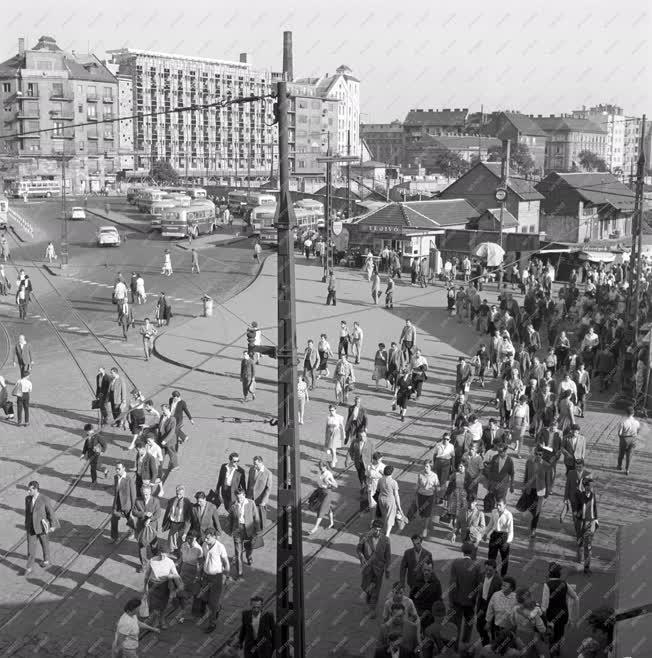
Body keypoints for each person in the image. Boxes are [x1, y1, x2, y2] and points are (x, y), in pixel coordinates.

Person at [449, 542, 483, 648]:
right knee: (469, 625)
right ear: (472, 552)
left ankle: (454, 647)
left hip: (457, 601)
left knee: (455, 625)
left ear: (462, 551)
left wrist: (451, 599)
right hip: (470, 602)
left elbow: (452, 584)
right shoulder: (477, 566)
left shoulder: (456, 563)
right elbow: (479, 586)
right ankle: (465, 646)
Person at [143, 541, 183, 629]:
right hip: (153, 585)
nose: (162, 555)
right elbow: (146, 576)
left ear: (168, 553)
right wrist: (144, 588)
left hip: (164, 586)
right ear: (158, 552)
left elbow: (176, 574)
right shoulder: (152, 561)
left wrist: (179, 585)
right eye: (160, 553)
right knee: (153, 604)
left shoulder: (170, 562)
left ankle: (162, 620)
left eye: (164, 553)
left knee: (163, 605)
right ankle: (151, 621)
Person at [542, 562, 579, 657]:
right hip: (563, 614)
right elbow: (575, 597)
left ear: (549, 573)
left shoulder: (547, 585)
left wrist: (544, 620)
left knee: (551, 636)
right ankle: (557, 649)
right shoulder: (564, 584)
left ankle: (552, 653)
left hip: (551, 616)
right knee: (559, 634)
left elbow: (544, 606)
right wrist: (573, 614)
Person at [357, 519, 392, 618]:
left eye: (379, 530)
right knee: (366, 587)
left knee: (376, 589)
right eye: (375, 529)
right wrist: (362, 557)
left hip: (378, 569)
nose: (377, 532)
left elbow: (388, 556)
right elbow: (358, 549)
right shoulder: (364, 537)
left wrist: (387, 569)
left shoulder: (386, 540)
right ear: (371, 528)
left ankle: (372, 609)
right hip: (366, 567)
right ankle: (368, 602)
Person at [199, 527, 230, 633]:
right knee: (205, 598)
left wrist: (226, 576)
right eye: (205, 538)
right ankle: (217, 608)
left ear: (213, 537)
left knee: (212, 603)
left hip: (217, 577)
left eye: (207, 538)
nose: (205, 540)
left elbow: (226, 563)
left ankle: (212, 623)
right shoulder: (204, 545)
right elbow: (204, 559)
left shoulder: (220, 547)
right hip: (206, 577)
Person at [24, 480, 58, 575]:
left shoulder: (44, 499)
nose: (28, 491)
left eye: (30, 490)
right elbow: (27, 513)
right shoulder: (27, 499)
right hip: (31, 527)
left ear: (35, 489)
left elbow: (50, 512)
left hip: (42, 526)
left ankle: (46, 560)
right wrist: (26, 524)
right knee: (30, 547)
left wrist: (53, 525)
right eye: (28, 489)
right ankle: (29, 567)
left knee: (44, 543)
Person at [227, 489, 261, 578]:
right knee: (238, 553)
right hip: (237, 530)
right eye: (238, 497)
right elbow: (230, 518)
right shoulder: (233, 505)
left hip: (248, 530)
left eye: (241, 497)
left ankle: (249, 556)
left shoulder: (251, 503)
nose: (240, 499)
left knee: (249, 547)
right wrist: (230, 530)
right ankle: (239, 573)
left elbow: (256, 517)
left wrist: (257, 530)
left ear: (244, 495)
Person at [522, 448, 552, 538]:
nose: (538, 456)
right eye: (537, 454)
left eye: (540, 454)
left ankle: (533, 529)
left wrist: (547, 492)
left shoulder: (546, 465)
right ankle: (531, 524)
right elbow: (526, 476)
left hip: (540, 491)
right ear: (534, 454)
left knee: (537, 510)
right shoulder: (529, 462)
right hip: (530, 490)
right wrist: (524, 486)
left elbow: (548, 481)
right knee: (530, 508)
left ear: (542, 455)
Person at [510, 587, 547, 657]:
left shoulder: (515, 609)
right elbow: (542, 629)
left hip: (519, 633)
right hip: (532, 635)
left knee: (522, 652)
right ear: (529, 598)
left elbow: (512, 621)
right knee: (534, 652)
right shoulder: (534, 612)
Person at [132, 483, 160, 573]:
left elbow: (158, 514)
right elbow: (134, 512)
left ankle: (157, 561)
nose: (145, 496)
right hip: (141, 528)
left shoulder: (155, 501)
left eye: (147, 494)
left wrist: (150, 519)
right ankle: (144, 565)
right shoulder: (138, 501)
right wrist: (143, 513)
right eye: (143, 494)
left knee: (154, 545)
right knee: (141, 547)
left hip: (152, 528)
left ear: (150, 492)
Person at [483, 499, 514, 576]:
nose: (498, 507)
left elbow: (511, 530)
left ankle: (503, 575)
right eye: (497, 504)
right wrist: (485, 533)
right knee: (491, 556)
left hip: (504, 536)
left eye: (500, 505)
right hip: (494, 535)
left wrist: (508, 542)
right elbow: (490, 524)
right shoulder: (494, 512)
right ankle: (492, 573)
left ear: (505, 505)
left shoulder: (508, 515)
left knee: (504, 558)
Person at [575, 476, 599, 575]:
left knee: (588, 546)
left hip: (591, 522)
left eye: (592, 485)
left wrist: (596, 521)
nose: (591, 487)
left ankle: (587, 566)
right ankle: (579, 556)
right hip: (582, 523)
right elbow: (577, 510)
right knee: (581, 543)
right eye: (590, 485)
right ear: (585, 487)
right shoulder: (580, 496)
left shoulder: (593, 495)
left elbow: (595, 508)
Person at [476, 560, 503, 646]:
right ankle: (486, 644)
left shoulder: (499, 581)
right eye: (486, 569)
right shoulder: (481, 575)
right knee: (479, 626)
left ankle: (495, 646)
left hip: (492, 606)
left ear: (495, 570)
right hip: (482, 604)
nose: (487, 572)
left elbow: (499, 599)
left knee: (493, 629)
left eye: (490, 570)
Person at [162, 485, 193, 554]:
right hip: (173, 522)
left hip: (182, 523)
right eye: (177, 494)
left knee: (181, 538)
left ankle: (180, 552)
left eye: (180, 494)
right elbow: (168, 511)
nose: (178, 496)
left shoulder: (187, 502)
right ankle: (172, 550)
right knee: (171, 538)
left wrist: (186, 529)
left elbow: (188, 516)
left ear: (184, 493)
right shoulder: (171, 500)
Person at [111, 462, 136, 543]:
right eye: (116, 469)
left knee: (130, 520)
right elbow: (116, 491)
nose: (117, 470)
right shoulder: (115, 477)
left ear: (124, 468)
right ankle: (114, 537)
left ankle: (133, 531)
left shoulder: (129, 479)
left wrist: (132, 508)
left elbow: (133, 494)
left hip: (126, 505)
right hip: (117, 504)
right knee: (113, 520)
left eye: (119, 469)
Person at [376, 465, 404, 537]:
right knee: (390, 518)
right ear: (391, 473)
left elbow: (378, 490)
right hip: (390, 501)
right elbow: (396, 495)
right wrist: (399, 507)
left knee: (384, 516)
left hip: (381, 499)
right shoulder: (393, 482)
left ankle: (384, 530)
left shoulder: (380, 480)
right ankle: (387, 534)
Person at [413, 460, 438, 537]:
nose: (425, 467)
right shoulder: (420, 473)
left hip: (429, 496)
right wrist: (415, 492)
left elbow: (436, 486)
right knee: (421, 512)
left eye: (427, 466)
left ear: (431, 467)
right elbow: (418, 484)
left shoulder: (434, 476)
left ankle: (425, 529)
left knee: (427, 513)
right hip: (421, 495)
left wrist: (436, 496)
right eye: (424, 465)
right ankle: (425, 525)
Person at [246, 456, 272, 529]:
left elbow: (268, 489)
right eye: (254, 463)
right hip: (250, 497)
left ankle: (261, 531)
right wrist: (246, 496)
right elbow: (249, 483)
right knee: (250, 514)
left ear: (261, 462)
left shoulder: (268, 473)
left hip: (260, 499)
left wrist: (264, 501)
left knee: (261, 517)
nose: (254, 465)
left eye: (256, 464)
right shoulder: (251, 469)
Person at [616, 405, 640, 476]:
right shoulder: (636, 422)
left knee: (621, 453)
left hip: (625, 438)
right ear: (633, 413)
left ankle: (619, 466)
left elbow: (619, 433)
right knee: (630, 455)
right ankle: (627, 469)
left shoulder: (623, 422)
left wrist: (621, 438)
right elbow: (638, 431)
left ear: (626, 413)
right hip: (633, 439)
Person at [324, 403, 345, 468]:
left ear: (335, 410)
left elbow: (342, 426)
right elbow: (327, 427)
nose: (331, 412)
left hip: (336, 433)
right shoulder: (328, 417)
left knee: (333, 448)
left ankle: (333, 460)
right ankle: (335, 458)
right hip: (330, 433)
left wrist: (343, 434)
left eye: (332, 410)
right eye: (330, 410)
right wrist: (326, 436)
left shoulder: (339, 417)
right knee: (332, 447)